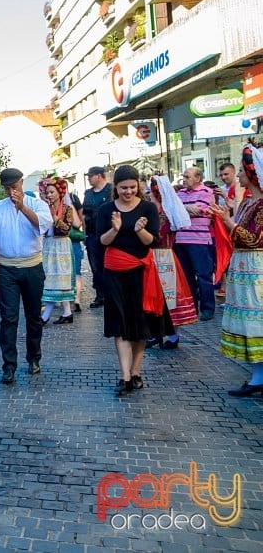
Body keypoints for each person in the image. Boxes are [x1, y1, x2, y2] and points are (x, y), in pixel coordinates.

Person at [99, 165, 174, 396]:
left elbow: (151, 241)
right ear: (116, 188)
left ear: (138, 186)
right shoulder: (106, 210)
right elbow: (102, 241)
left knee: (140, 324)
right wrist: (115, 229)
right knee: (120, 325)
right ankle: (124, 376)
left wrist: (140, 230)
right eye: (123, 188)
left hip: (141, 272)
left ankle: (136, 371)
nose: (128, 192)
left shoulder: (148, 207)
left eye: (132, 187)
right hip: (114, 271)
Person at [0, 168, 53, 384]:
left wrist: (21, 206)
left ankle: (34, 358)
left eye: (14, 186)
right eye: (7, 187)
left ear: (22, 183)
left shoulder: (37, 204)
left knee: (33, 316)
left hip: (32, 265)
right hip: (7, 268)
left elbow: (42, 225)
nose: (11, 190)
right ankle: (9, 366)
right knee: (9, 318)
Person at [208, 144, 263, 397]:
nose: (239, 175)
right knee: (251, 321)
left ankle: (258, 377)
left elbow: (253, 239)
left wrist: (227, 220)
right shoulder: (250, 203)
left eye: (242, 170)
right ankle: (258, 376)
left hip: (256, 268)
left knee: (257, 320)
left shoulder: (261, 205)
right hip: (245, 268)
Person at [148, 176, 197, 349]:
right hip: (157, 257)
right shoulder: (159, 211)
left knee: (168, 297)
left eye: (150, 191)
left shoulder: (165, 213)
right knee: (157, 296)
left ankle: (171, 335)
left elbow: (157, 237)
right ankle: (158, 333)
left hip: (163, 257)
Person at [174, 167, 216, 321]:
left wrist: (180, 208)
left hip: (199, 240)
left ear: (198, 178)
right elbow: (173, 209)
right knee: (186, 277)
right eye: (183, 176)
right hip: (181, 239)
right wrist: (182, 209)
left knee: (203, 275)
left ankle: (207, 308)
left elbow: (199, 210)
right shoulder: (180, 193)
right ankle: (192, 308)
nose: (183, 179)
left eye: (187, 176)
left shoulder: (206, 192)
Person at [38, 178, 78, 325]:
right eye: (47, 192)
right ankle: (67, 312)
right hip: (48, 244)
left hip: (62, 245)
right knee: (51, 278)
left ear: (59, 193)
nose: (49, 195)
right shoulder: (44, 208)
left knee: (60, 278)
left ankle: (45, 316)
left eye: (52, 192)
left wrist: (55, 217)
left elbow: (66, 228)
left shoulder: (67, 209)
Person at [83, 166, 111, 308]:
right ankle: (100, 295)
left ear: (99, 176)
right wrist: (84, 232)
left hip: (108, 233)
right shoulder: (88, 193)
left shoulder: (110, 190)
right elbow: (83, 214)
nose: (88, 178)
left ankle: (110, 294)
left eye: (90, 176)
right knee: (95, 267)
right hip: (92, 234)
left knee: (109, 265)